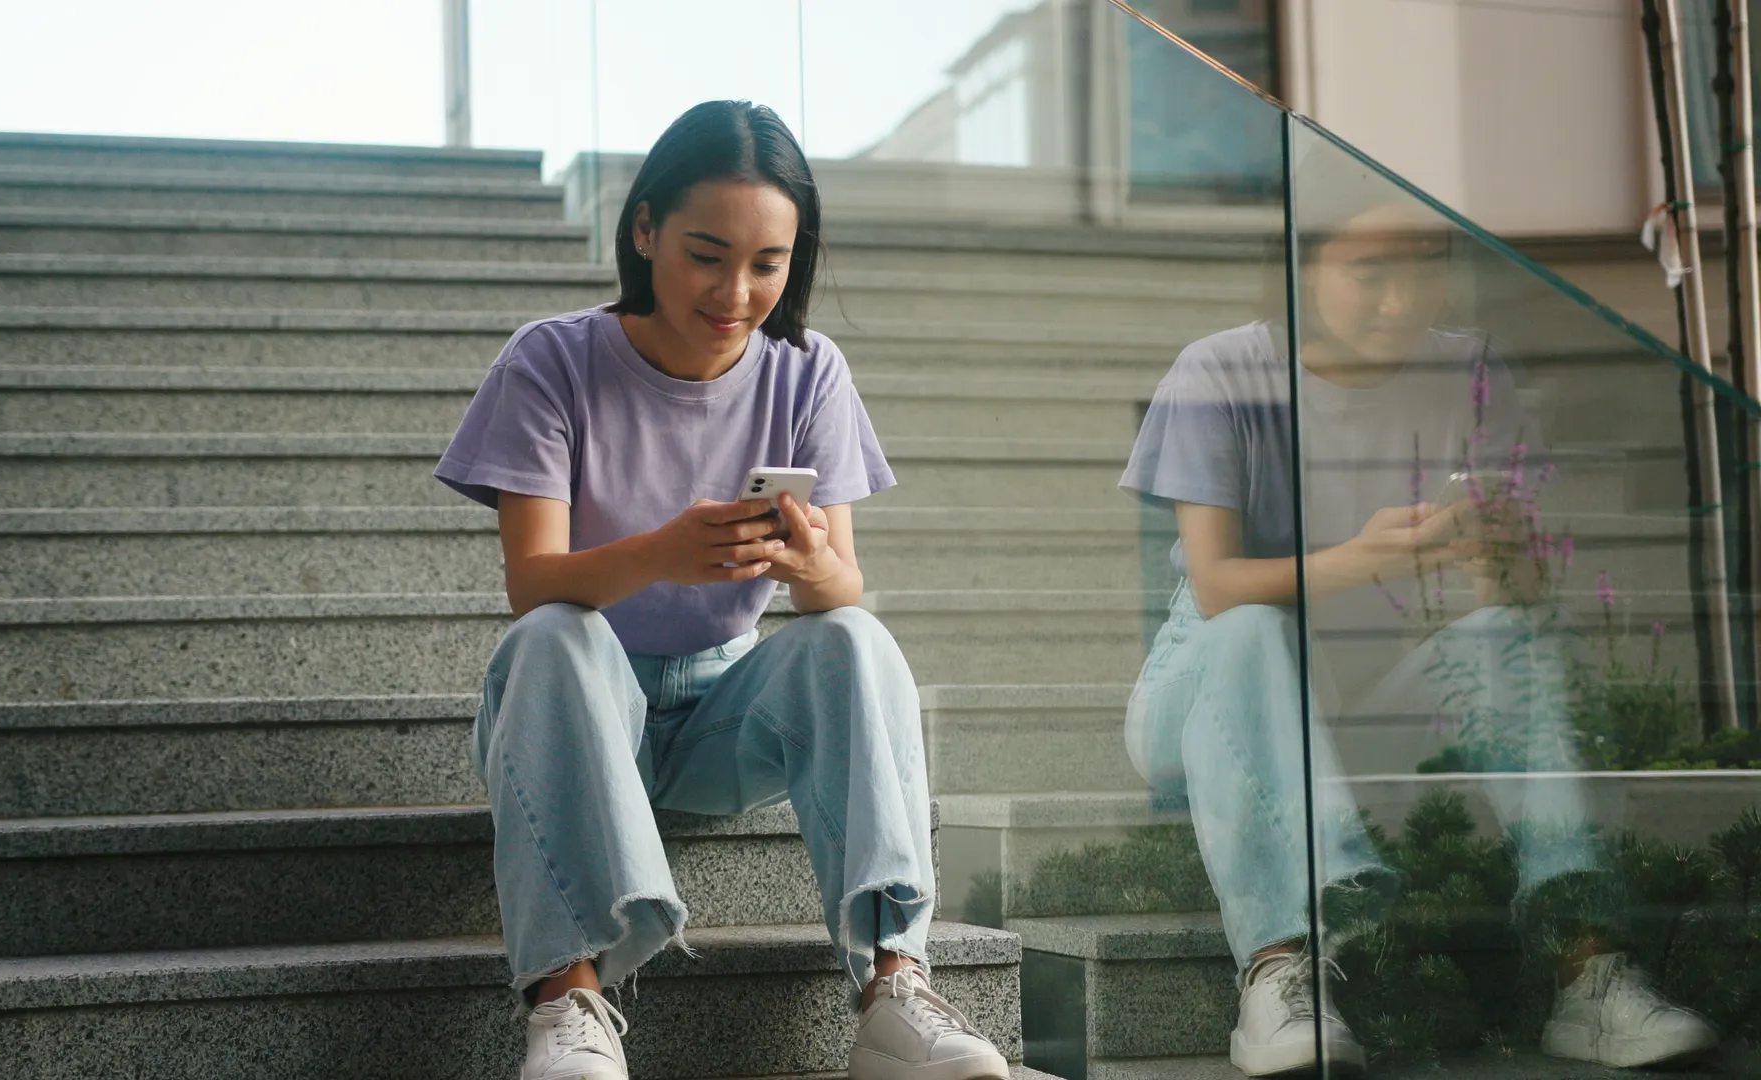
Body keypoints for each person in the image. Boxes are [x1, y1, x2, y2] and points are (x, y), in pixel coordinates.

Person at [434, 100, 1010, 1080]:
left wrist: (805, 563)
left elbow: (842, 587)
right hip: (577, 703)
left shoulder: (810, 372)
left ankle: (893, 984)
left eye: (767, 263)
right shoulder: (551, 361)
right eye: (707, 253)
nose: (735, 291)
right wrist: (665, 551)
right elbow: (533, 584)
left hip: (720, 716)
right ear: (645, 229)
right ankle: (568, 1004)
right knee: (556, 636)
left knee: (856, 640)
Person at [1118, 154, 1719, 1076]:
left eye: (1426, 263)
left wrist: (1500, 566)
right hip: (1208, 692)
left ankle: (1588, 971)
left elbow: (1504, 609)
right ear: (1301, 262)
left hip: (1377, 700)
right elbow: (1214, 585)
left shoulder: (1469, 369)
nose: (1403, 298)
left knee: (1505, 638)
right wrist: (1369, 558)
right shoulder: (1225, 370)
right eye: (1371, 271)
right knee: (1248, 631)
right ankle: (1281, 972)